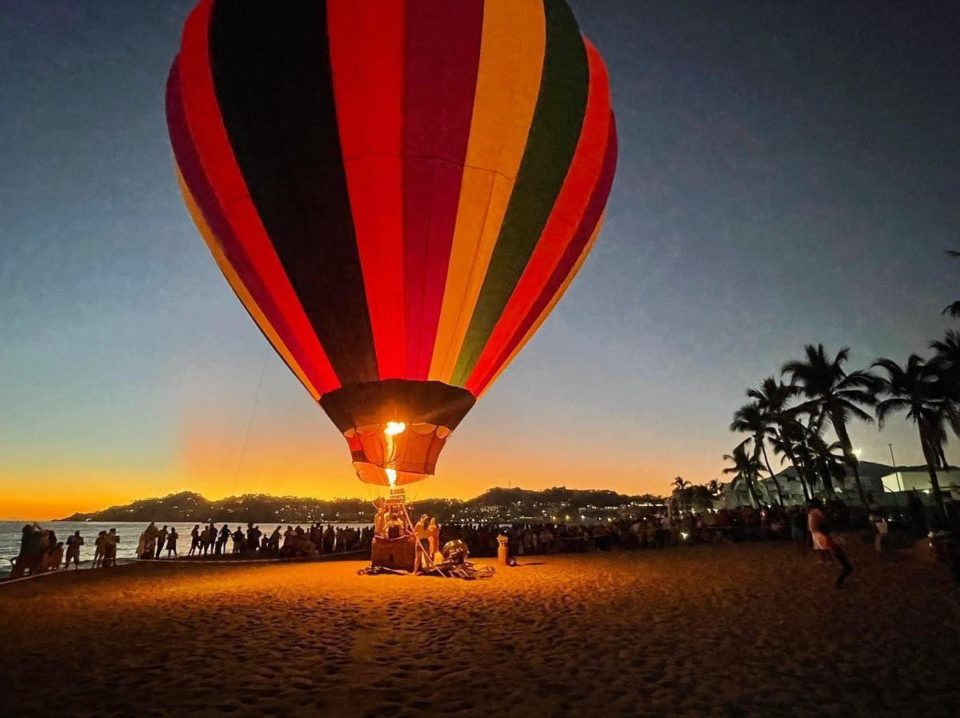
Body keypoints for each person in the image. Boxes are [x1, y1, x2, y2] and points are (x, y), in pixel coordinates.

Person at [808, 499, 853, 587]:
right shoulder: (826, 531)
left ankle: (839, 581)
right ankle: (838, 583)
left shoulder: (825, 529)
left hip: (832, 544)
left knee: (847, 566)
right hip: (834, 546)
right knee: (848, 568)